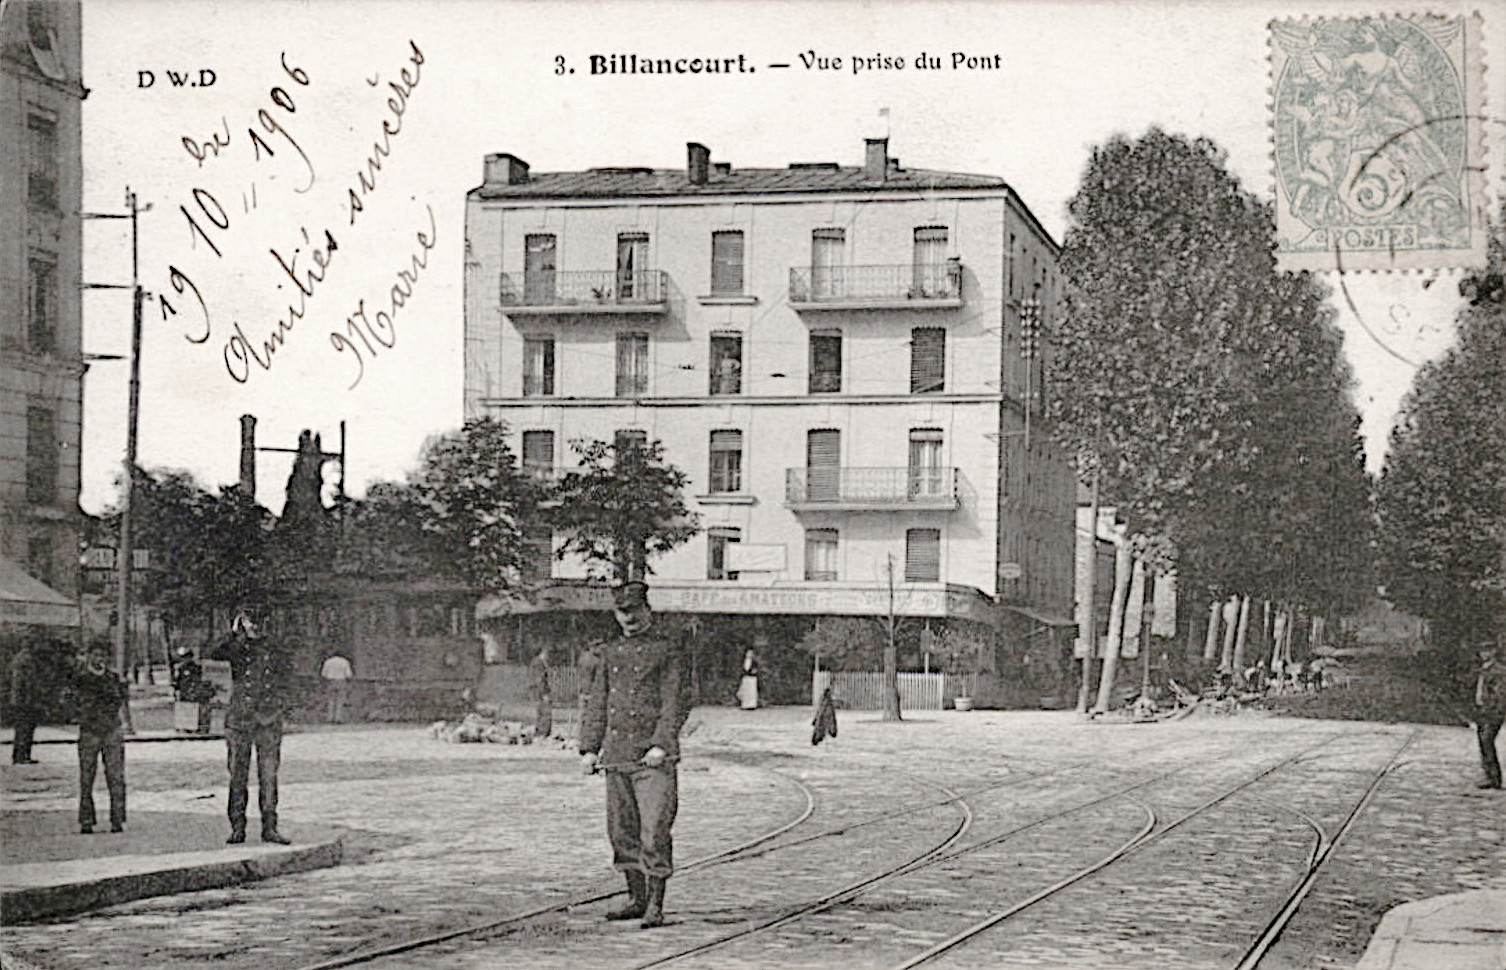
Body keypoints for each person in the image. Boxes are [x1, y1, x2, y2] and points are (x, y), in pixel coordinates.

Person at [579, 581, 692, 929]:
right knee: (621, 831)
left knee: (654, 831)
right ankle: (636, 898)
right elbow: (599, 700)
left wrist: (661, 743)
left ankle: (656, 905)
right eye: (621, 612)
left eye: (634, 611)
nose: (628, 618)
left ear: (647, 611)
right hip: (617, 755)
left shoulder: (668, 650)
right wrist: (588, 747)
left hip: (652, 757)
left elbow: (676, 701)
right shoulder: (610, 652)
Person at [209, 605, 295, 844]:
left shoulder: (274, 646)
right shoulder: (236, 646)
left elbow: (287, 677)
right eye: (249, 620)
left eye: (258, 620)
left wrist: (281, 706)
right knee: (238, 774)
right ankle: (237, 827)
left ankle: (270, 827)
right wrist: (234, 632)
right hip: (240, 719)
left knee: (268, 776)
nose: (255, 625)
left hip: (268, 718)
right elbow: (215, 652)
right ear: (242, 622)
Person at [71, 639, 128, 834]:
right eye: (95, 655)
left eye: (102, 655)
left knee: (116, 776)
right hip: (89, 731)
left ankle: (117, 819)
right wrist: (80, 715)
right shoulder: (80, 678)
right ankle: (86, 820)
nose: (99, 659)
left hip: (111, 730)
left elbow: (121, 699)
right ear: (88, 656)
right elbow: (71, 701)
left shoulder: (112, 678)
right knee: (87, 777)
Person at [1472, 645, 1505, 790]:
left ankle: (1494, 777)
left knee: (1487, 741)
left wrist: (1495, 711)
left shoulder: (1499, 671)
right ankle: (1488, 775)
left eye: (1487, 650)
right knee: (1483, 741)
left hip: (1492, 712)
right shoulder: (1483, 669)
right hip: (1482, 710)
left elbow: (1500, 695)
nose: (1483, 654)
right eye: (1481, 651)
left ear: (1493, 652)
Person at [8, 637, 41, 764]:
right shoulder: (26, 660)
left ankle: (19, 755)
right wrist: (29, 699)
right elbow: (27, 683)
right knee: (25, 728)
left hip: (19, 700)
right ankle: (22, 755)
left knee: (21, 728)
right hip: (25, 701)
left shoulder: (18, 659)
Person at [320, 651, 354, 724]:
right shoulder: (344, 662)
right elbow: (348, 674)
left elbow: (323, 674)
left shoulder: (328, 662)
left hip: (330, 681)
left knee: (331, 700)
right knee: (340, 700)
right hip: (341, 681)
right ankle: (338, 718)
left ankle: (330, 718)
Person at [527, 647, 553, 739]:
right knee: (544, 711)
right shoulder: (538, 663)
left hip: (536, 690)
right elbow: (540, 679)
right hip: (539, 691)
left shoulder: (537, 662)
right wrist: (544, 693)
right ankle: (543, 731)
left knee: (540, 711)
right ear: (543, 652)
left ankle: (540, 730)